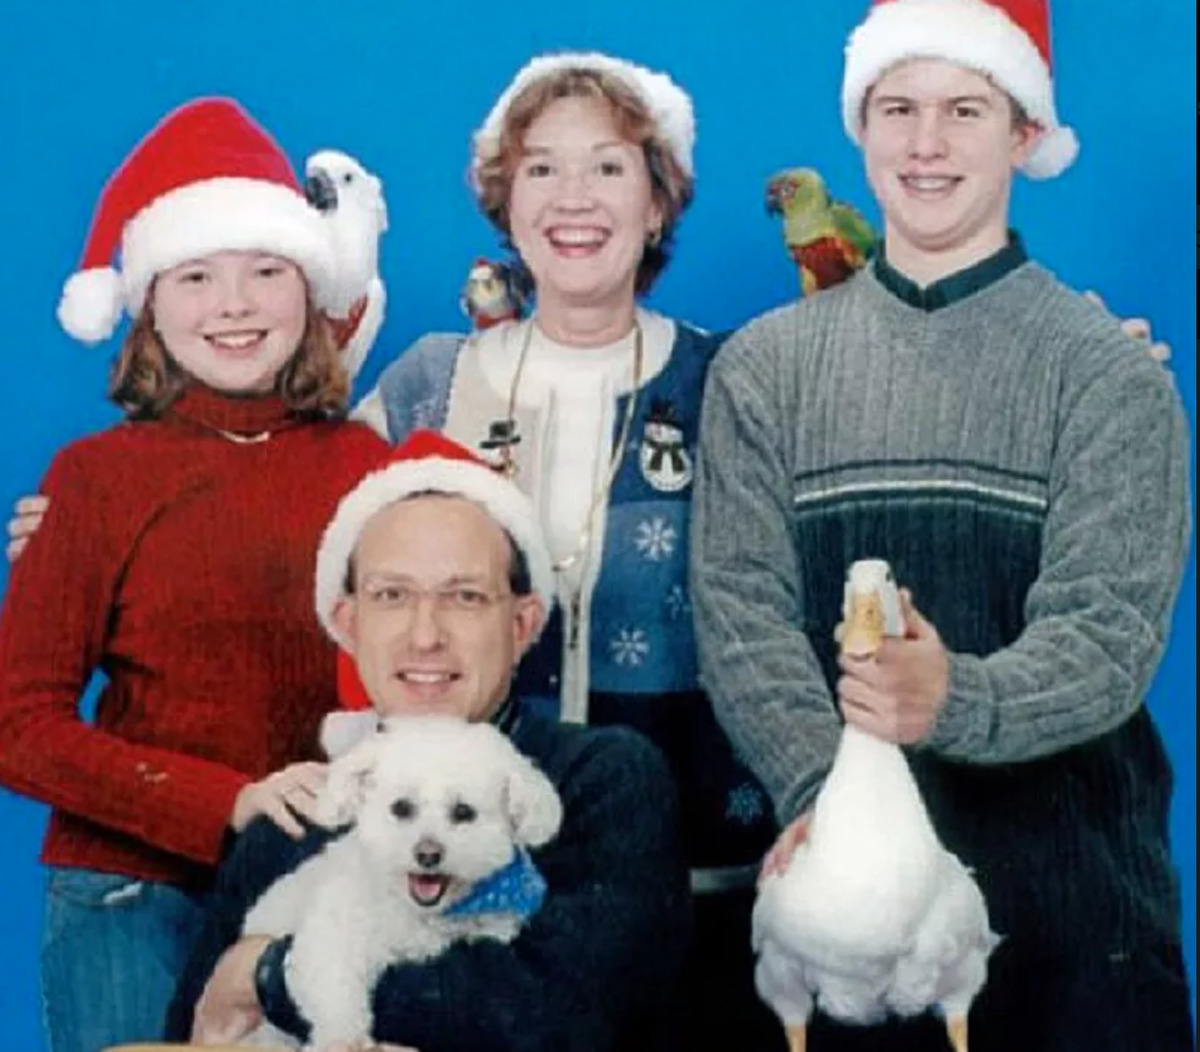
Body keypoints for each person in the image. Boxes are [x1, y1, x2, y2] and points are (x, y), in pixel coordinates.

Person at [691, 1, 1194, 1049]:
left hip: (1071, 909)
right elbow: (739, 610)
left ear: (1022, 134)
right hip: (838, 912)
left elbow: (1108, 637)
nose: (926, 143)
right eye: (898, 107)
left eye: (966, 109)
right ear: (859, 131)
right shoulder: (766, 369)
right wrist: (833, 793)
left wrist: (952, 693)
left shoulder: (1105, 373)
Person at [346, 50, 784, 1048]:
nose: (573, 197)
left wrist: (1086, 359)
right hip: (459, 878)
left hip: (693, 873)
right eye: (542, 167)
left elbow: (865, 465)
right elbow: (295, 514)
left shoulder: (734, 379)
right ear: (506, 202)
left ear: (659, 202)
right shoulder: (430, 381)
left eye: (610, 167)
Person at [0, 97, 390, 1052]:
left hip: (329, 882)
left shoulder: (373, 469)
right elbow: (18, 721)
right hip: (132, 892)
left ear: (312, 292)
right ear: (147, 304)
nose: (235, 304)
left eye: (267, 271)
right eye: (197, 276)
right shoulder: (94, 478)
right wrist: (225, 802)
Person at [164, 428, 690, 1051]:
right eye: (392, 596)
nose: (424, 636)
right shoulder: (294, 822)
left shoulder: (603, 778)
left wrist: (269, 972)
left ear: (523, 624)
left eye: (464, 597)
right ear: (347, 621)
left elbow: (560, 1017)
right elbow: (194, 1033)